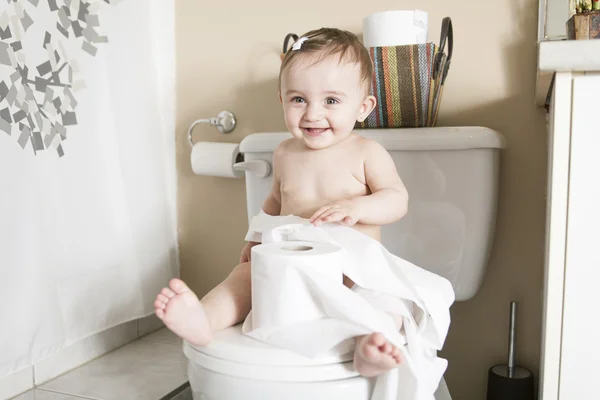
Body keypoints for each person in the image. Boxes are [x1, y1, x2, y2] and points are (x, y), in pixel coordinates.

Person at [154, 27, 409, 378]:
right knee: (242, 280)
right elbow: (274, 202)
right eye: (298, 99)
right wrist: (254, 239)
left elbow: (397, 200)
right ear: (282, 99)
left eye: (331, 101)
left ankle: (369, 349)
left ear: (363, 107)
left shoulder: (367, 153)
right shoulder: (285, 152)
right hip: (288, 259)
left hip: (350, 269)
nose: (312, 113)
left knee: (385, 300)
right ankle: (204, 319)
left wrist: (358, 208)